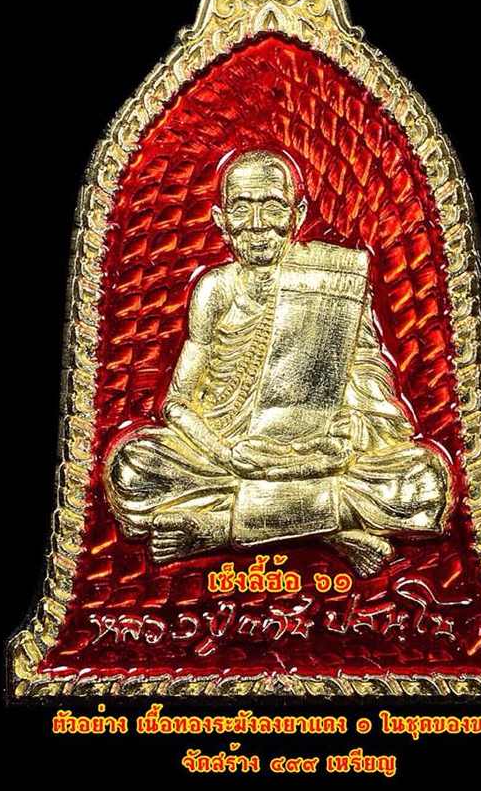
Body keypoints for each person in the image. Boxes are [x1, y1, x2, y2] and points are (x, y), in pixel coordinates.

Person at [103, 149, 452, 576]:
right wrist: (226, 452)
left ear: (296, 214)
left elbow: (371, 384)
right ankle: (328, 528)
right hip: (228, 459)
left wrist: (355, 428)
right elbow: (176, 403)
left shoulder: (333, 281)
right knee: (131, 468)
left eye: (272, 206)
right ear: (221, 220)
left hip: (316, 456)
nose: (257, 224)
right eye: (242, 208)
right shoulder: (215, 290)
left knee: (423, 482)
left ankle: (219, 528)